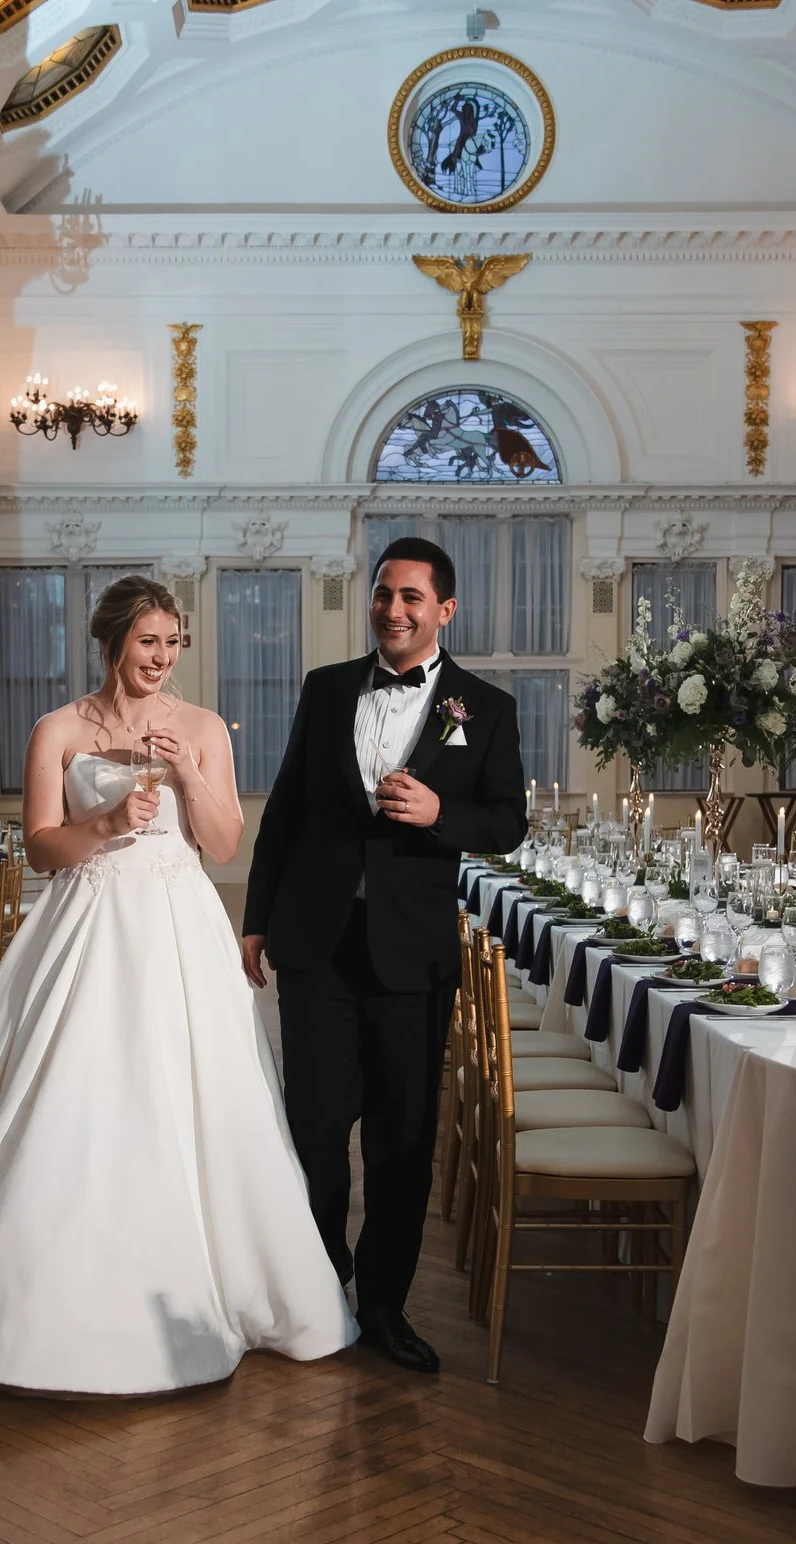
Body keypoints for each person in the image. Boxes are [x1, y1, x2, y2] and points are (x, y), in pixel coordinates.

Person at [0, 576, 354, 1394]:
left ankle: (211, 1290)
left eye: (173, 642)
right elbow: (42, 847)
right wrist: (107, 822)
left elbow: (224, 844)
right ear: (114, 640)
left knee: (189, 1096)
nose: (163, 657)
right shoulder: (57, 728)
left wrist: (191, 775)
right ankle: (24, 1308)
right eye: (149, 640)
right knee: (71, 1094)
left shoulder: (200, 728)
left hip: (177, 926)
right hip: (85, 920)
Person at [240, 537, 527, 1373]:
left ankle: (387, 1308)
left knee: (403, 1141)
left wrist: (442, 810)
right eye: (382, 595)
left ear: (445, 609)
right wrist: (257, 918)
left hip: (413, 953)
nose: (392, 610)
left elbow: (507, 824)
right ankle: (323, 1286)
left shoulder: (487, 707)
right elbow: (286, 812)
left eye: (410, 597)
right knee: (318, 1130)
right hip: (316, 945)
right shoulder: (325, 689)